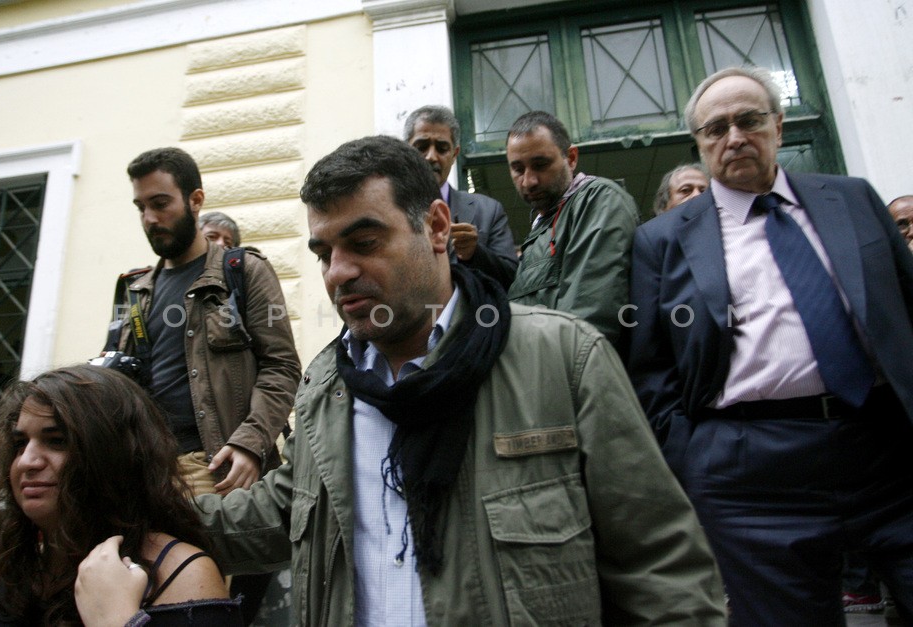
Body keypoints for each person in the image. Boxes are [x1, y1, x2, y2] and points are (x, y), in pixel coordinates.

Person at [194, 134, 726, 625]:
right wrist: (156, 515)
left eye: (365, 242)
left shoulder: (564, 360)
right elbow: (285, 509)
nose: (338, 272)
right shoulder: (325, 387)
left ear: (437, 227)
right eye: (324, 253)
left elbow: (663, 574)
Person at [626, 66, 913, 626]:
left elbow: (906, 306)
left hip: (887, 450)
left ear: (778, 127)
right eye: (716, 129)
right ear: (700, 143)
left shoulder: (852, 198)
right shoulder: (661, 240)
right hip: (751, 478)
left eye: (749, 121)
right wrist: (692, 459)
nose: (734, 137)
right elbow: (650, 365)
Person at [0, 365, 240, 626]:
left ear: (114, 454)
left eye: (57, 441)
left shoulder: (182, 575)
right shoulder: (7, 570)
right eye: (20, 443)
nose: (27, 461)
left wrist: (119, 620)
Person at [111, 147, 301, 497]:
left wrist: (251, 441)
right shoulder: (135, 291)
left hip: (218, 470)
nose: (150, 218)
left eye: (160, 204)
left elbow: (282, 366)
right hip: (145, 474)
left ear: (195, 200)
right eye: (141, 208)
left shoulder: (243, 271)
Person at [505, 110, 639, 349]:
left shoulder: (598, 200)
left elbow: (587, 324)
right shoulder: (543, 224)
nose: (528, 181)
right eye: (518, 169)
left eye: (540, 165)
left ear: (571, 158)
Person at [403, 105, 519, 288]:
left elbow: (512, 279)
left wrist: (475, 253)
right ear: (406, 151)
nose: (431, 156)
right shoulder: (388, 211)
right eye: (421, 147)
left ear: (454, 154)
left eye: (442, 148)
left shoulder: (488, 211)